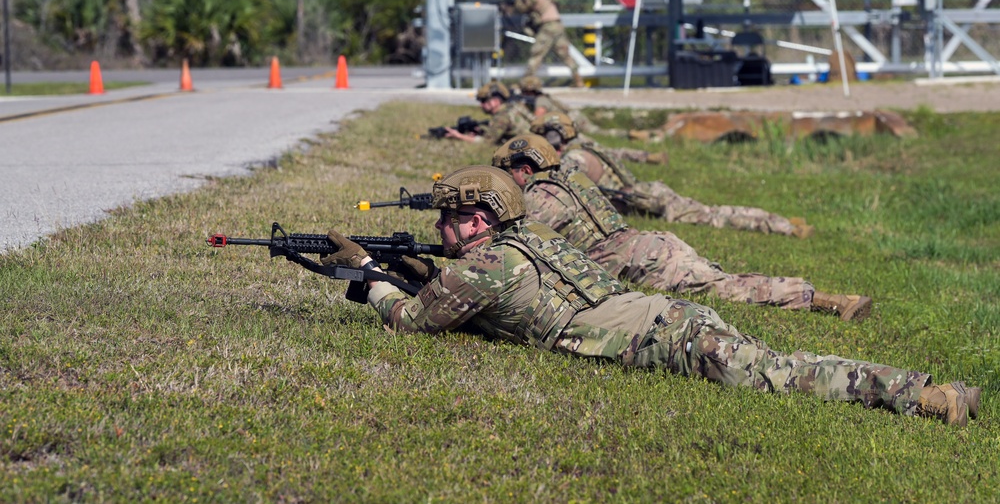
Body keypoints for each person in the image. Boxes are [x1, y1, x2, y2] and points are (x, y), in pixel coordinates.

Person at [321, 165, 981, 427]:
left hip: (666, 337)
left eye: (448, 219)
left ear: (477, 220)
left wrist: (373, 278)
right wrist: (414, 264)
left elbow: (411, 320)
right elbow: (479, 292)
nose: (439, 229)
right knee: (781, 362)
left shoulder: (482, 268)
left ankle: (926, 396)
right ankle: (925, 392)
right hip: (672, 319)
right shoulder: (531, 244)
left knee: (787, 375)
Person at [491, 133, 871, 321]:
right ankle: (822, 297)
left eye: (507, 174)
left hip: (641, 260)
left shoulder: (540, 195)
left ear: (525, 169)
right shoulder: (570, 176)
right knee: (724, 281)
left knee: (728, 287)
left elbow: (514, 241)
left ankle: (828, 300)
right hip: (647, 245)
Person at [531, 112, 814, 238]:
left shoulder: (573, 158)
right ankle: (780, 220)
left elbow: (565, 189)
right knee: (712, 210)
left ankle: (786, 229)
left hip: (647, 201)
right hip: (650, 190)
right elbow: (621, 153)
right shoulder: (588, 144)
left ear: (553, 137)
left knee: (713, 217)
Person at [517, 76, 668, 166]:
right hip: (572, 120)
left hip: (569, 126)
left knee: (601, 144)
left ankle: (634, 139)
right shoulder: (546, 97)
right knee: (602, 144)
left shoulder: (540, 101)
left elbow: (538, 118)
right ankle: (641, 147)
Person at [514, 0, 585, 88]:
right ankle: (578, 79)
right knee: (564, 54)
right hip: (557, 24)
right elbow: (556, 3)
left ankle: (526, 81)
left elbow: (522, 8)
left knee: (537, 53)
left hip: (548, 27)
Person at [445, 80, 533, 145]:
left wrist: (459, 136)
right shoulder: (515, 106)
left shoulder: (502, 117)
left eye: (483, 101)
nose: (481, 105)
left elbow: (486, 142)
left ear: (495, 101)